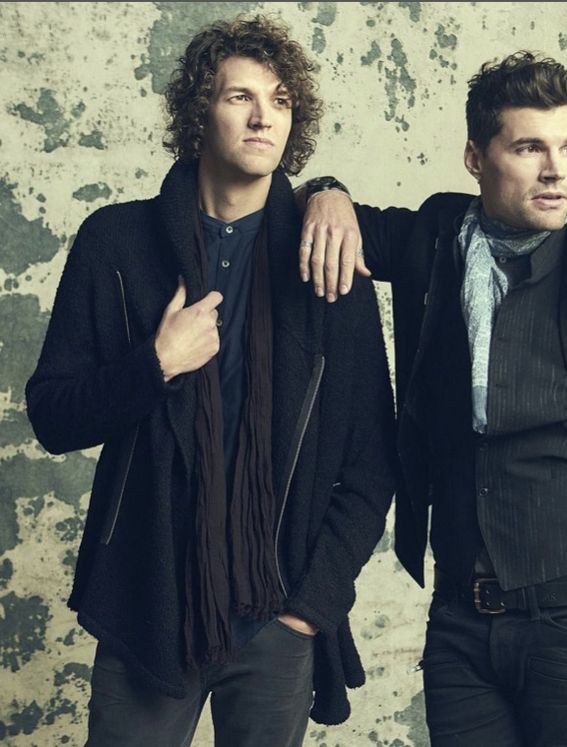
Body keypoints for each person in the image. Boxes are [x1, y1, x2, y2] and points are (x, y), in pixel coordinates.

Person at [300, 51, 567, 746]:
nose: (554, 169)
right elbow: (340, 222)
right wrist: (324, 189)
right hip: (458, 626)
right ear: (476, 157)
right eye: (528, 146)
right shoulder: (437, 236)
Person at [25, 15, 396, 747]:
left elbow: (372, 458)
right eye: (240, 97)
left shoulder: (326, 261)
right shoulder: (116, 243)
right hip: (148, 605)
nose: (264, 116)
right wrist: (154, 364)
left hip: (276, 614)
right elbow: (53, 416)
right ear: (200, 113)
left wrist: (309, 606)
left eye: (281, 100)